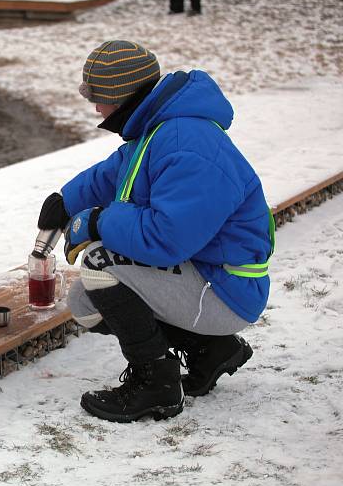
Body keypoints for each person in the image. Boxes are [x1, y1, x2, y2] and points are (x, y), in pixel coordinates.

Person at [37, 40, 272, 423]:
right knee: (86, 302)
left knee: (100, 263)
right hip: (205, 274)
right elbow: (113, 174)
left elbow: (166, 239)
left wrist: (97, 221)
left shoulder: (187, 144)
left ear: (122, 93)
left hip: (227, 287)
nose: (95, 108)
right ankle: (209, 350)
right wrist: (66, 201)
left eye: (98, 96)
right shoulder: (156, 129)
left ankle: (156, 385)